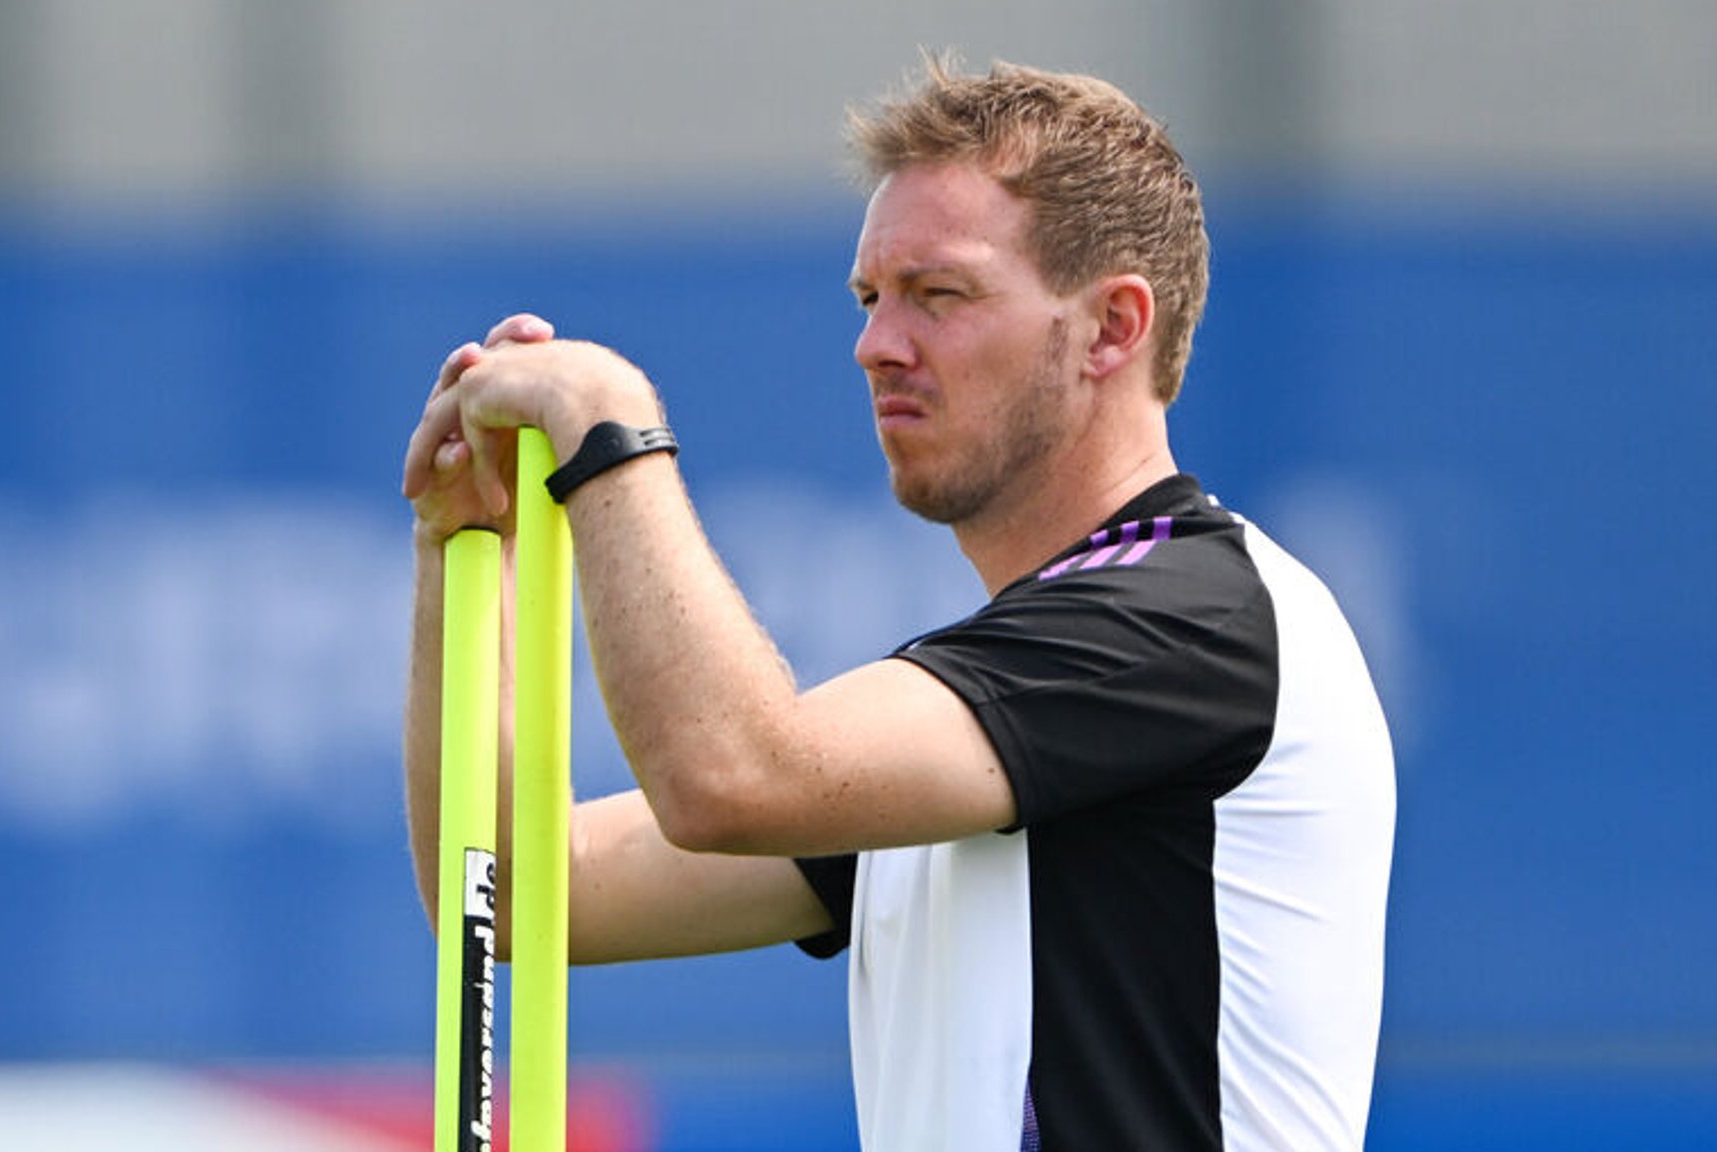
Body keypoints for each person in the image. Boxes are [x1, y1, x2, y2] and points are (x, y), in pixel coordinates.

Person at [401, 56, 1395, 1152]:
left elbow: (731, 775)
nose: (876, 344)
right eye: (871, 298)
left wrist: (610, 428)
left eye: (940, 294)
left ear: (1112, 328)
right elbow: (518, 893)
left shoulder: (1189, 619)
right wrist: (465, 545)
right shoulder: (1020, 686)